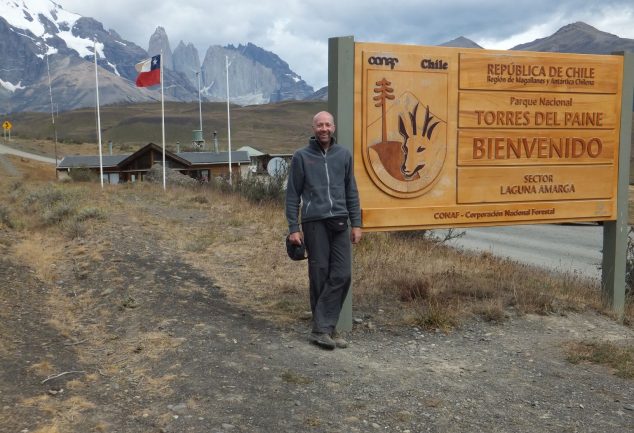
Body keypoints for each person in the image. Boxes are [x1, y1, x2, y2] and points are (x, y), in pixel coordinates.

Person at [285, 111, 362, 350]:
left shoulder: (344, 155)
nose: (324, 129)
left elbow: (351, 191)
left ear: (334, 127)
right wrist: (293, 228)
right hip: (314, 221)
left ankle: (324, 327)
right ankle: (324, 330)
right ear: (313, 128)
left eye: (327, 124)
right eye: (320, 125)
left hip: (340, 221)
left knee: (342, 274)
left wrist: (356, 223)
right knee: (319, 274)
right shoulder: (301, 156)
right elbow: (292, 195)